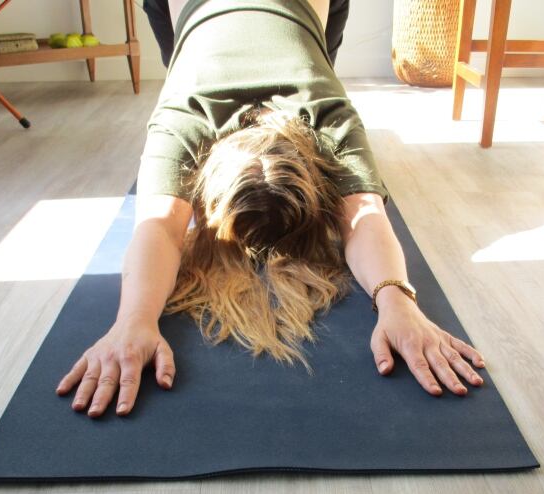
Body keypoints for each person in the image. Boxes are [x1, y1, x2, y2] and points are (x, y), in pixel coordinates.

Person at [56, 0, 486, 418]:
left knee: (316, 51)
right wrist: (133, 321)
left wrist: (399, 302)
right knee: (181, 56)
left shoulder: (327, 113)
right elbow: (160, 228)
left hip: (297, 19)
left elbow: (364, 215)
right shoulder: (182, 116)